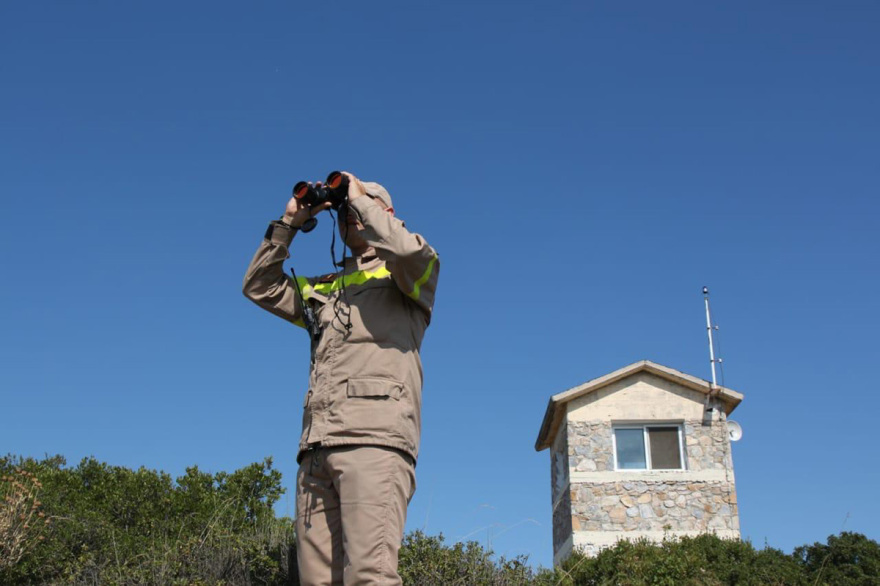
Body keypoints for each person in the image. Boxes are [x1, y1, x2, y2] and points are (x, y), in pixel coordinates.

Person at [242, 171, 439, 585]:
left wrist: (360, 197)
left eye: (359, 205)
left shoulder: (409, 277)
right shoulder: (327, 288)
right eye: (345, 208)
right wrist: (290, 222)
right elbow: (259, 286)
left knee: (370, 576)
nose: (349, 212)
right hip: (315, 448)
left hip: (373, 441)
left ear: (387, 213)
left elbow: (408, 251)